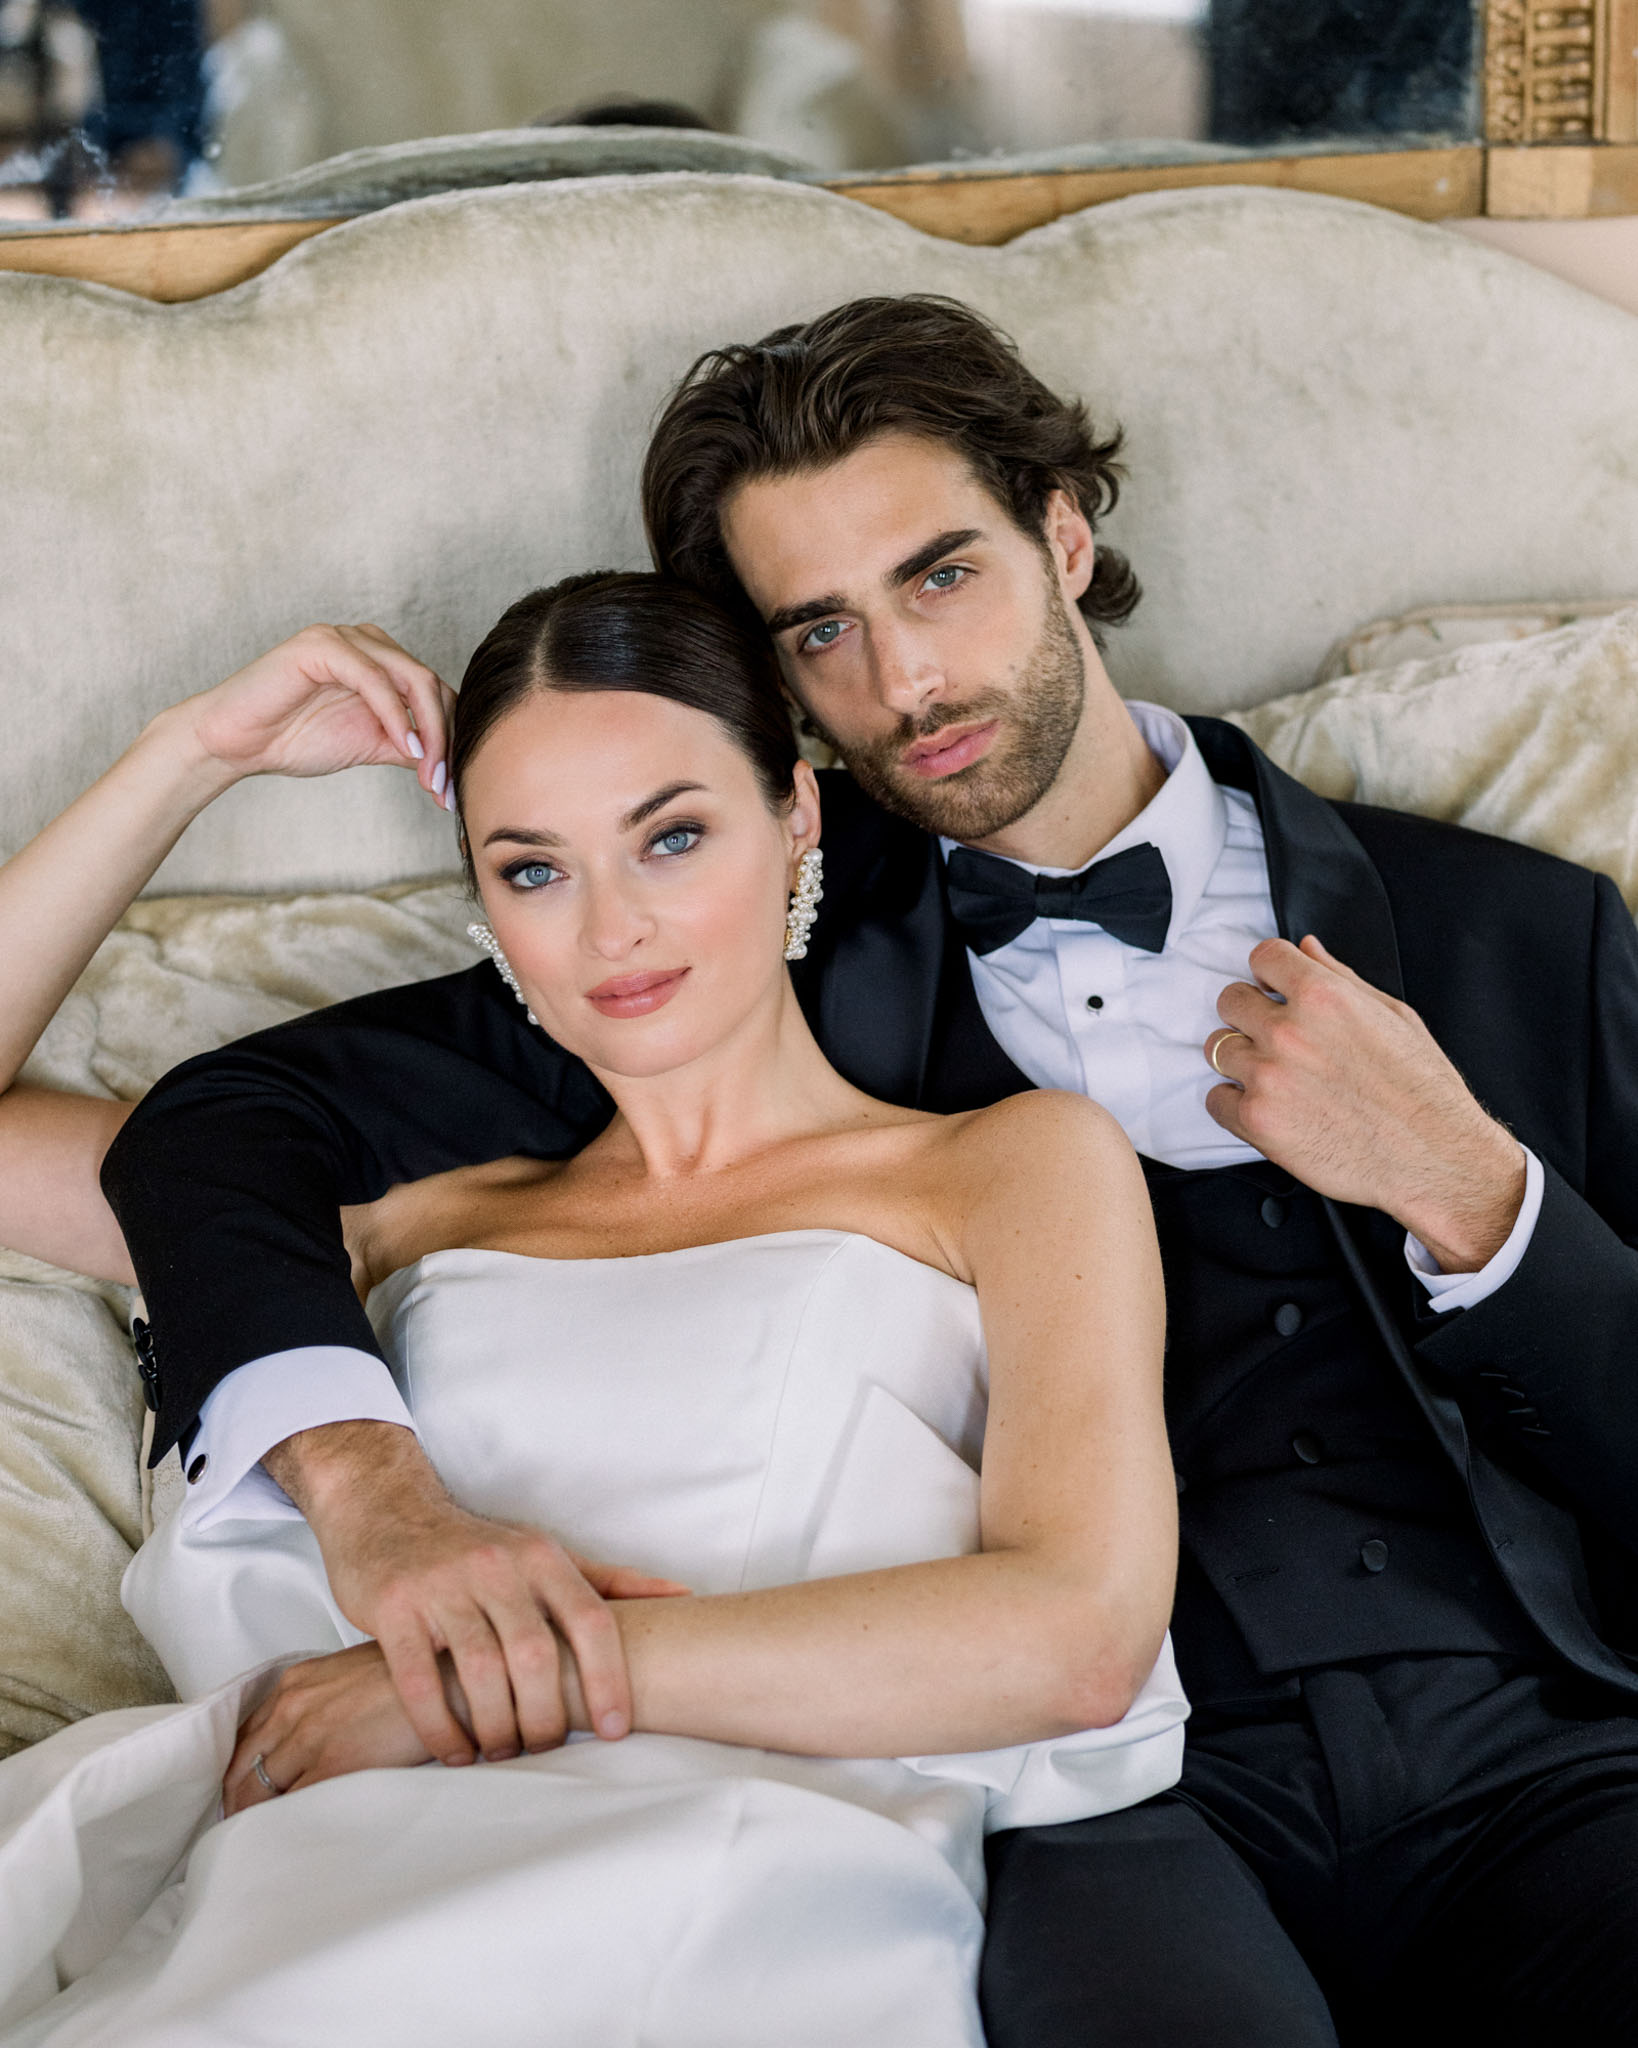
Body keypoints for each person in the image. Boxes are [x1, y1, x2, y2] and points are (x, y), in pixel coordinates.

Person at [86, 294, 1638, 2045]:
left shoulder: (1516, 934)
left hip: (1548, 1751)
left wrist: (1474, 1200)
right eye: (816, 629)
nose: (901, 680)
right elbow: (221, 1133)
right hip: (1106, 1800)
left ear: (1062, 530)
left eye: (939, 576)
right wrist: (189, 754)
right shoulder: (736, 946)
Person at [0, 574, 1186, 2045]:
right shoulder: (393, 1226)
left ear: (798, 816)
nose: (613, 928)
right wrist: (193, 752)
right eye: (534, 869)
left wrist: (475, 1677)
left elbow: (1075, 1635)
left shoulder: (1010, 1167)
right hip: (320, 1881)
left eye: (671, 837)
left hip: (736, 1901)